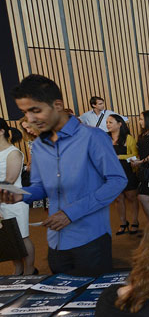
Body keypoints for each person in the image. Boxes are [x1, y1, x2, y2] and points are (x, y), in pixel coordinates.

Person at [0, 75, 126, 273]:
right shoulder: (40, 145)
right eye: (25, 112)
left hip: (91, 239)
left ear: (57, 105)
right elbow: (41, 187)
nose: (30, 119)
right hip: (56, 242)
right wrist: (19, 194)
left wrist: (71, 213)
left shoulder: (93, 137)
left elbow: (117, 181)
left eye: (35, 110)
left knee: (93, 301)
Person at [0, 119, 35, 275]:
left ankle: (29, 270)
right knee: (9, 237)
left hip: (14, 200)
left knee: (22, 237)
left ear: (2, 131)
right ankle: (18, 268)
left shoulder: (13, 153)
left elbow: (10, 181)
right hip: (1, 200)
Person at [105, 114, 140, 236]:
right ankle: (123, 222)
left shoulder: (128, 138)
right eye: (107, 122)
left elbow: (135, 156)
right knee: (118, 199)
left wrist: (120, 157)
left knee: (131, 197)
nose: (108, 124)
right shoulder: (105, 137)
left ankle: (135, 221)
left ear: (119, 124)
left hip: (127, 171)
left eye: (110, 122)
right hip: (112, 172)